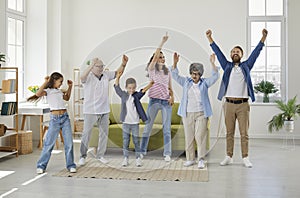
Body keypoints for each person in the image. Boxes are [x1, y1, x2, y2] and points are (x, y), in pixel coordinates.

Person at [206, 28, 268, 168]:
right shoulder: (227, 66)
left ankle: (245, 157)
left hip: (243, 105)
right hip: (228, 104)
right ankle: (229, 156)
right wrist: (210, 38)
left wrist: (263, 38)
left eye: (237, 52)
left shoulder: (246, 65)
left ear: (241, 55)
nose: (235, 53)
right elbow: (219, 53)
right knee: (229, 132)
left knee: (244, 133)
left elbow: (256, 53)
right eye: (233, 52)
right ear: (231, 55)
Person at [171, 53, 219, 168]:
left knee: (200, 136)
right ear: (190, 73)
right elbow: (175, 75)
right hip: (187, 113)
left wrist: (212, 63)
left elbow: (215, 77)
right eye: (193, 73)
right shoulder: (186, 82)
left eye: (197, 74)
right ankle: (190, 159)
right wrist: (175, 63)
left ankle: (201, 159)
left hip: (202, 113)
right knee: (189, 136)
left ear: (200, 75)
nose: (194, 76)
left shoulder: (205, 83)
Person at [78, 55, 128, 166]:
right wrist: (91, 65)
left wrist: (123, 64)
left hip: (104, 110)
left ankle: (100, 155)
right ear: (93, 67)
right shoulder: (88, 77)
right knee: (86, 134)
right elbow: (82, 77)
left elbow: (118, 72)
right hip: (90, 111)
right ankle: (82, 156)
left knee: (104, 134)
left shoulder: (106, 75)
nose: (101, 68)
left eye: (102, 66)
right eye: (98, 66)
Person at [28, 72, 76, 174]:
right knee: (49, 144)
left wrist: (70, 87)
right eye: (60, 82)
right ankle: (41, 165)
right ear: (54, 81)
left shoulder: (59, 91)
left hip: (65, 118)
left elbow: (67, 97)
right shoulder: (47, 91)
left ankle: (71, 165)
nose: (61, 84)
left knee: (69, 143)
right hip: (54, 119)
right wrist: (45, 82)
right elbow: (37, 93)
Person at [140, 33, 174, 162]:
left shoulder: (167, 70)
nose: (162, 58)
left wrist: (172, 97)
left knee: (166, 129)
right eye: (160, 57)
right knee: (147, 128)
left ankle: (167, 153)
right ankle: (142, 151)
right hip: (153, 101)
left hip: (165, 101)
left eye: (163, 57)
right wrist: (162, 42)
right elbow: (155, 56)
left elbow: (169, 85)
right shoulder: (151, 68)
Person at [114, 70, 154, 167]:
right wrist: (118, 77)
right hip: (126, 123)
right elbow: (116, 88)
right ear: (126, 87)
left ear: (135, 87)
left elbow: (143, 91)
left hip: (135, 122)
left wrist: (150, 84)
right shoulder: (123, 95)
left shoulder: (136, 96)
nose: (131, 90)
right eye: (129, 88)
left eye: (133, 88)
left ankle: (138, 158)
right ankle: (125, 158)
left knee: (136, 141)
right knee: (125, 141)